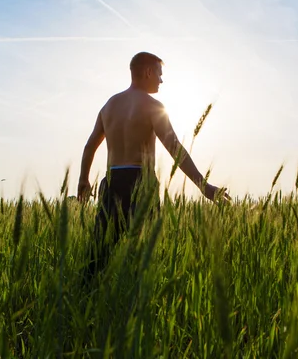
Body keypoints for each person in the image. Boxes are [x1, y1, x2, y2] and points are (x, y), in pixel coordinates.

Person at [77, 52, 229, 276]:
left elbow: (89, 147)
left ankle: (87, 299)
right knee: (144, 261)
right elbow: (175, 149)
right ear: (148, 72)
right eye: (159, 73)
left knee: (98, 258)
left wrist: (83, 179)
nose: (161, 80)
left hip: (111, 183)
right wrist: (204, 186)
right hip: (141, 183)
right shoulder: (153, 106)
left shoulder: (108, 106)